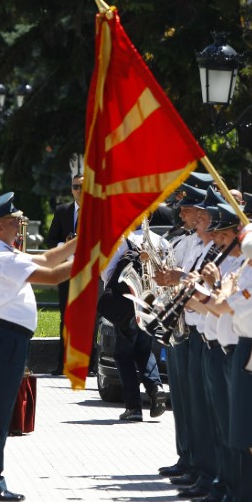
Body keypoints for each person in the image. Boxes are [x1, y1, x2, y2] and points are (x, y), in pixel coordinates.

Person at [0, 192, 76, 502]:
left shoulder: (3, 250)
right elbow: (54, 275)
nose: (20, 223)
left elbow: (47, 258)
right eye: (15, 220)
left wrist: (85, 240)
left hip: (7, 340)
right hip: (4, 340)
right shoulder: (0, 256)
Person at [100, 220, 169, 421]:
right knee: (144, 349)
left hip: (128, 305)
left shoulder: (120, 240)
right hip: (153, 305)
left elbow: (107, 273)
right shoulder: (160, 241)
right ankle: (156, 388)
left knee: (123, 355)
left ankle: (133, 408)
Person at [46, 173, 83, 375]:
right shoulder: (62, 211)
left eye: (84, 187)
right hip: (66, 273)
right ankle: (63, 364)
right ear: (71, 189)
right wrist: (65, 245)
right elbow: (51, 241)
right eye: (76, 187)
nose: (80, 191)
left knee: (90, 319)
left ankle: (89, 365)